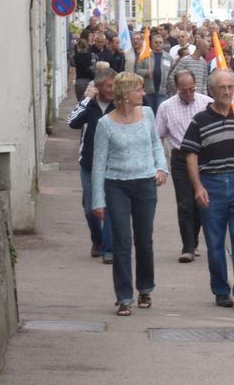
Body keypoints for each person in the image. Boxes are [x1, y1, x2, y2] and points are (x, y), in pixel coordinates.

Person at [182, 69, 234, 309]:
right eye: (222, 88)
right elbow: (190, 154)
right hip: (213, 184)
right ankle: (220, 290)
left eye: (231, 87)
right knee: (215, 241)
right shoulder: (200, 120)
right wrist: (197, 187)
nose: (228, 92)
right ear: (211, 91)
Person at [90, 72, 169, 316]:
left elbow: (156, 142)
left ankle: (145, 287)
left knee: (144, 240)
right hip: (117, 185)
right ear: (125, 94)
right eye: (139, 90)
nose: (144, 94)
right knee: (122, 242)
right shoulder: (105, 124)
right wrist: (97, 200)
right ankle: (124, 297)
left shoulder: (146, 114)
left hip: (145, 183)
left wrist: (161, 167)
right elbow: (98, 163)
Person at [155, 70, 213, 263]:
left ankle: (194, 239)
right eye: (183, 91)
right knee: (184, 202)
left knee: (200, 202)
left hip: (203, 157)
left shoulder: (206, 103)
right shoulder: (165, 107)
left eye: (191, 90)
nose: (188, 94)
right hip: (180, 156)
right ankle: (187, 246)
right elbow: (158, 136)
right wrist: (159, 165)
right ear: (176, 88)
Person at [68, 67, 116, 262]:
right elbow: (72, 122)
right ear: (97, 87)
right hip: (89, 164)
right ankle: (97, 239)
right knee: (90, 208)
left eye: (114, 85)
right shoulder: (90, 106)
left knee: (111, 207)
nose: (112, 90)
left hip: (113, 164)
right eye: (108, 86)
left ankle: (108, 248)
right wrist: (87, 99)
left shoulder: (119, 104)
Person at [135, 30, 174, 113]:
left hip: (163, 92)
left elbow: (172, 74)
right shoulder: (145, 57)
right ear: (151, 44)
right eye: (156, 42)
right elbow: (137, 71)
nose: (158, 44)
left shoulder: (169, 58)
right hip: (148, 92)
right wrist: (146, 72)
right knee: (150, 114)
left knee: (161, 114)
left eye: (160, 42)